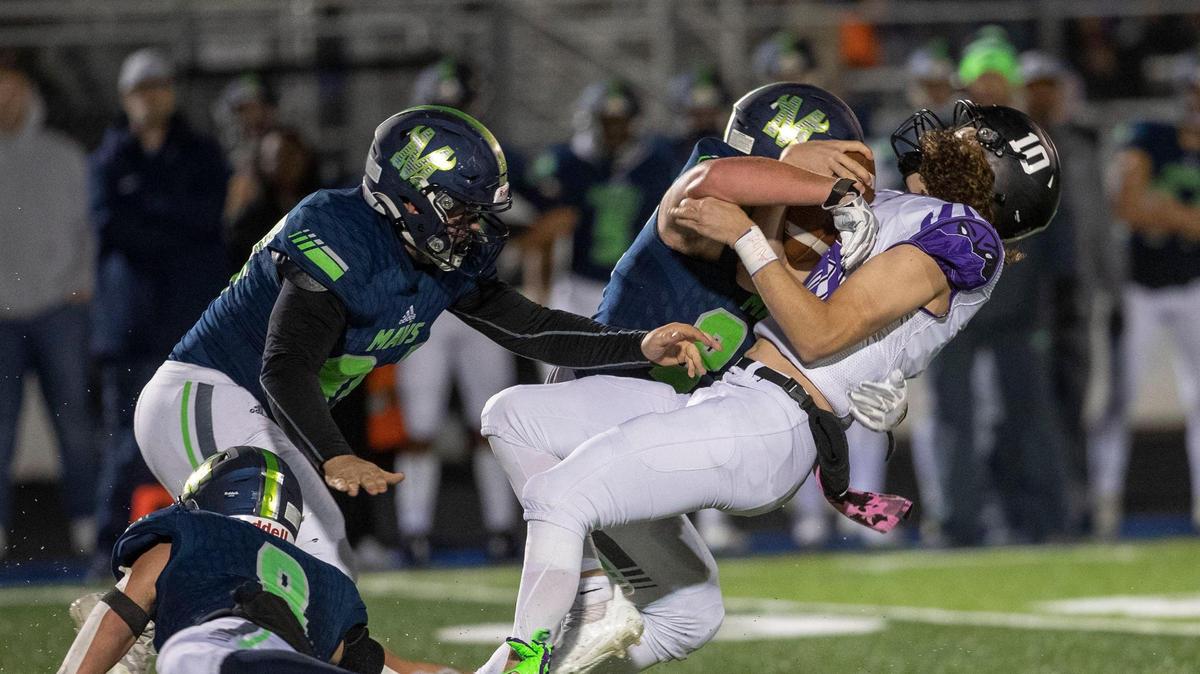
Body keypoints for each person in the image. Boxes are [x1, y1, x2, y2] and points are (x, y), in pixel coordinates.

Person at [481, 100, 1060, 673]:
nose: (939, 137)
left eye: (963, 139)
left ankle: (530, 655)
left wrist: (749, 235)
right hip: (738, 396)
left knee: (560, 497)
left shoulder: (968, 234)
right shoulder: (910, 213)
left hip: (770, 419)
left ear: (993, 172)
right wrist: (788, 189)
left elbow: (816, 334)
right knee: (514, 415)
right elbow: (776, 281)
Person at [128, 104, 712, 583]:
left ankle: (139, 613)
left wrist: (639, 345)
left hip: (259, 417)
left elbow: (532, 328)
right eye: (459, 209)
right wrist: (335, 453)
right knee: (299, 564)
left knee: (327, 562)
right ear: (410, 195)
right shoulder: (338, 229)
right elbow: (284, 367)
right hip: (205, 395)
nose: (470, 227)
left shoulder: (439, 261)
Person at [59, 446, 462, 674]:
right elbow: (398, 671)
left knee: (181, 655)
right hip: (293, 663)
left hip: (217, 654)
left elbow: (116, 622)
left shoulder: (190, 533)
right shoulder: (322, 579)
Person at [89, 47, 231, 568]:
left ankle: (210, 542)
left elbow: (207, 218)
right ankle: (107, 549)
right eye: (140, 89)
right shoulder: (109, 157)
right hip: (130, 326)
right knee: (125, 443)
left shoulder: (200, 153)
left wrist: (148, 212)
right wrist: (173, 221)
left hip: (189, 324)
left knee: (202, 440)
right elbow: (112, 226)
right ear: (126, 98)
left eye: (158, 86)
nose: (150, 98)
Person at [393, 57, 523, 565]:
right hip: (425, 300)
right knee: (420, 426)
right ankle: (413, 531)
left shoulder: (496, 156)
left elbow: (532, 217)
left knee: (488, 421)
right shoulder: (407, 161)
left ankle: (499, 527)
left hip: (477, 298)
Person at [1088, 63, 1200, 536]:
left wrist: (1164, 212)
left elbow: (1148, 206)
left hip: (1194, 285)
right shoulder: (1149, 135)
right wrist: (1181, 216)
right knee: (1120, 397)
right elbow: (1125, 204)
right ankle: (1104, 500)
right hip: (1140, 288)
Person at [0, 55, 96, 557]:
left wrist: (82, 280)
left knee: (74, 421)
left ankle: (89, 527)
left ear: (28, 93)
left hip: (60, 309)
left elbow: (89, 224)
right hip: (1, 318)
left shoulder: (64, 156)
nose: (4, 100)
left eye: (11, 89)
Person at [522, 79, 676, 315]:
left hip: (639, 285)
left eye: (620, 123)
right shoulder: (565, 162)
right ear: (590, 120)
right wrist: (538, 291)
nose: (613, 130)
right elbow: (542, 233)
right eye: (606, 122)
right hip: (577, 284)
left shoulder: (658, 164)